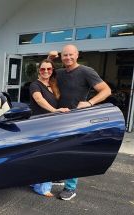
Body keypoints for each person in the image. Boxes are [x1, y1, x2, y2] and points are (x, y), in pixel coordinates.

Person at [49, 45, 111, 201]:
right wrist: (50, 59)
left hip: (76, 119)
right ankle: (60, 176)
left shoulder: (86, 71)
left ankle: (70, 188)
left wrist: (90, 103)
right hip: (59, 117)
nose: (68, 58)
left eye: (71, 55)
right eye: (65, 55)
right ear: (61, 57)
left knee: (73, 153)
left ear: (77, 55)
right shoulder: (60, 73)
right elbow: (46, 73)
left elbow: (106, 90)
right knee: (59, 150)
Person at [29, 59, 70, 197]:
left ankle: (35, 182)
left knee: (44, 155)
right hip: (39, 125)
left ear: (52, 71)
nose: (46, 71)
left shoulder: (52, 85)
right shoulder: (35, 85)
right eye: (42, 69)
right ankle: (42, 188)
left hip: (51, 124)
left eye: (49, 69)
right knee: (45, 155)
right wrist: (54, 110)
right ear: (38, 70)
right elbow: (39, 100)